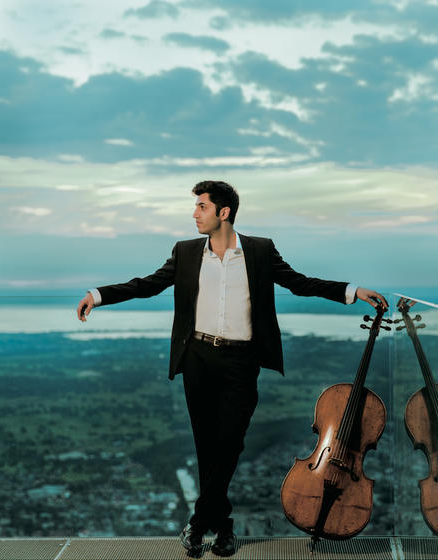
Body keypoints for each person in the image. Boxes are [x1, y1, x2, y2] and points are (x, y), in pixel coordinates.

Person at [76, 180, 388, 557]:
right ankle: (222, 528)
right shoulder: (186, 252)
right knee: (207, 447)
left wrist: (353, 291)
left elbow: (299, 283)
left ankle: (197, 524)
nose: (194, 214)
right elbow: (148, 285)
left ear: (224, 212)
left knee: (230, 443)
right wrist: (98, 296)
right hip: (198, 360)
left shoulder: (259, 250)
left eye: (202, 207)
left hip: (241, 362)